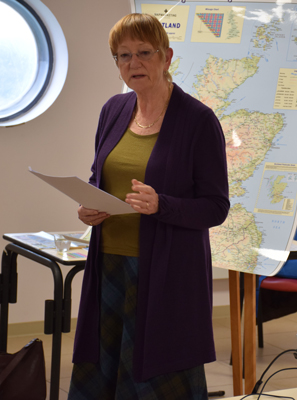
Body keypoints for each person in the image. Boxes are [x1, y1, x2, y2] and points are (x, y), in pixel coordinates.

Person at [68, 13, 229, 400]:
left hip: (166, 274)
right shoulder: (114, 110)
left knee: (155, 378)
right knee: (103, 368)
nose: (133, 63)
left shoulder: (198, 120)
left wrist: (162, 205)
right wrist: (89, 205)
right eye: (123, 56)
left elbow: (215, 207)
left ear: (166, 56)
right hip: (109, 266)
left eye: (143, 52)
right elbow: (100, 176)